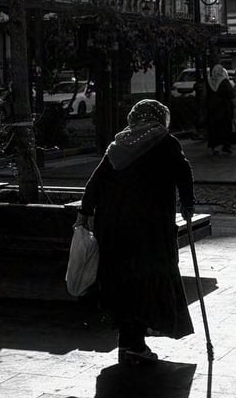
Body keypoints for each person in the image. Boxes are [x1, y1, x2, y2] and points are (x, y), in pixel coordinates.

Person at [77, 99, 195, 366]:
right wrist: (187, 205)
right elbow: (183, 172)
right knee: (147, 282)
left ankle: (128, 342)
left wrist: (84, 212)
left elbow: (96, 182)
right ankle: (136, 345)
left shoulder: (118, 145)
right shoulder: (165, 142)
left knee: (122, 283)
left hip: (114, 227)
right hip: (149, 229)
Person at [205, 63, 236, 155]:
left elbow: (205, 95)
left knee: (214, 128)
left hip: (212, 109)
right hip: (224, 109)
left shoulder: (209, 81)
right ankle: (226, 145)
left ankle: (214, 147)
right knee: (225, 127)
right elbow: (231, 95)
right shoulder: (224, 81)